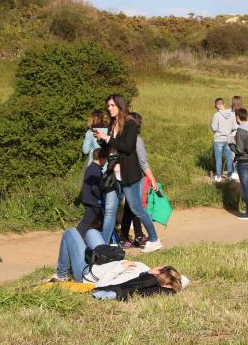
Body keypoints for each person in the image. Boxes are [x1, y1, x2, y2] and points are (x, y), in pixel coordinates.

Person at [94, 95, 163, 253]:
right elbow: (111, 149)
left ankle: (154, 239)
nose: (109, 108)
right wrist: (101, 140)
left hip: (129, 175)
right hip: (113, 175)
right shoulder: (113, 124)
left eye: (112, 105)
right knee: (110, 211)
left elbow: (127, 147)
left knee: (136, 209)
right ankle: (104, 246)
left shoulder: (130, 123)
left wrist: (108, 138)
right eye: (108, 106)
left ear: (120, 105)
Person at [48, 226, 181, 290]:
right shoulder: (146, 271)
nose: (160, 266)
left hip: (87, 272)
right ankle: (80, 252)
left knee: (70, 232)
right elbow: (183, 280)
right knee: (92, 232)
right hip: (104, 260)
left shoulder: (132, 279)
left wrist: (119, 268)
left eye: (162, 269)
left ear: (158, 274)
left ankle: (61, 274)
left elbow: (101, 285)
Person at [119, 112, 158, 248]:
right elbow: (142, 162)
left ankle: (130, 236)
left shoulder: (131, 140)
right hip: (131, 178)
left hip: (132, 177)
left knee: (132, 208)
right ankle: (137, 236)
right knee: (134, 208)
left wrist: (151, 178)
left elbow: (142, 162)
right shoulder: (131, 139)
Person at [229, 108, 248, 220]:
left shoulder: (241, 130)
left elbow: (240, 150)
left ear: (237, 117)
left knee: (246, 188)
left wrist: (231, 144)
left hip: (244, 161)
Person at [75, 149, 105, 240]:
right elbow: (95, 188)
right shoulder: (96, 170)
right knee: (86, 222)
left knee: (101, 219)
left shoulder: (90, 168)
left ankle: (99, 237)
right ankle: (76, 238)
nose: (105, 162)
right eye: (105, 160)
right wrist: (102, 197)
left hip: (89, 199)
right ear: (101, 159)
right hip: (93, 201)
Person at [210, 97, 236, 183]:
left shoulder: (216, 115)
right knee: (229, 158)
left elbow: (214, 127)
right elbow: (234, 127)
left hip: (218, 139)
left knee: (218, 158)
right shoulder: (232, 114)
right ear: (223, 104)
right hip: (228, 138)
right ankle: (229, 176)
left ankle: (218, 176)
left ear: (218, 105)